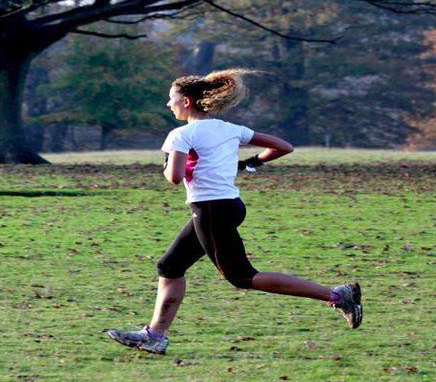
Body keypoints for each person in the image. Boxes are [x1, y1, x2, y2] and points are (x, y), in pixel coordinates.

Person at [106, 69, 362, 355]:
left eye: (171, 99)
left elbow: (174, 177)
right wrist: (250, 163)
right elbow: (283, 147)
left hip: (212, 211)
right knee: (170, 267)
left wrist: (169, 162)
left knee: (242, 277)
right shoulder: (230, 129)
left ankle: (338, 296)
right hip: (228, 206)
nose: (169, 105)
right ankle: (154, 335)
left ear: (187, 102)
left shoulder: (181, 135)